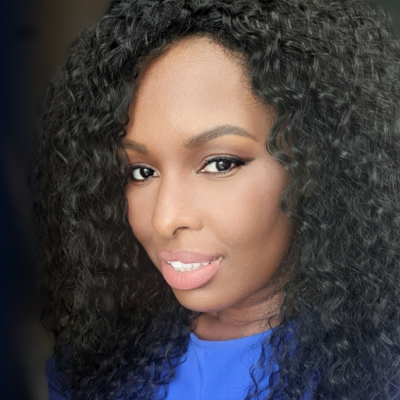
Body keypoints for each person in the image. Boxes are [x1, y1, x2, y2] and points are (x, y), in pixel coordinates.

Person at [30, 0, 400, 399]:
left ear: (315, 165)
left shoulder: (378, 374)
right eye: (141, 172)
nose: (165, 218)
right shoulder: (94, 369)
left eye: (220, 163)